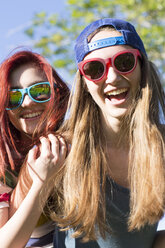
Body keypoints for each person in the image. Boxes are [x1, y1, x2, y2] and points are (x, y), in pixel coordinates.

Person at [51, 18, 165, 248]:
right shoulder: (58, 151)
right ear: (84, 82)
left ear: (142, 68)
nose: (112, 78)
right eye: (95, 69)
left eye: (124, 62)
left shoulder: (162, 146)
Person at [0, 49, 69, 248]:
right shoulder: (3, 164)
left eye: (39, 91)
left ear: (57, 93)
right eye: (14, 97)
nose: (28, 102)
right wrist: (42, 181)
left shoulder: (78, 142)